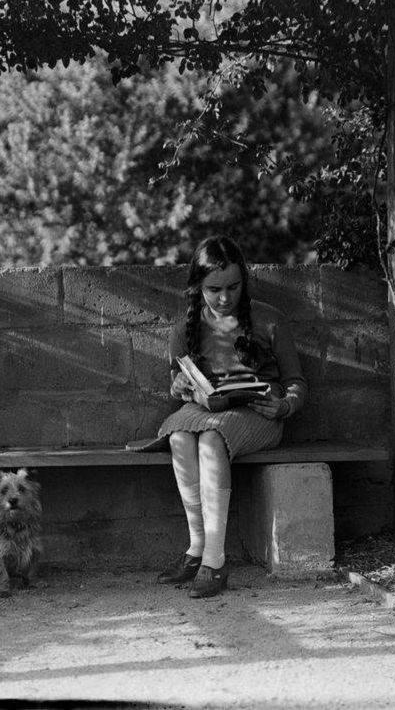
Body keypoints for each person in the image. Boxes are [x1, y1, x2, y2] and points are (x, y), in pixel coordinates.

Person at [156, 235, 307, 598]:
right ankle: (196, 549)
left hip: (259, 414)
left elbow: (297, 382)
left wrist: (285, 405)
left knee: (210, 440)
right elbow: (177, 386)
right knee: (179, 436)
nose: (225, 298)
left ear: (244, 281)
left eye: (233, 287)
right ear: (198, 287)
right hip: (207, 410)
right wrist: (179, 386)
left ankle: (215, 560)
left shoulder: (269, 320)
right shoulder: (185, 329)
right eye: (214, 290)